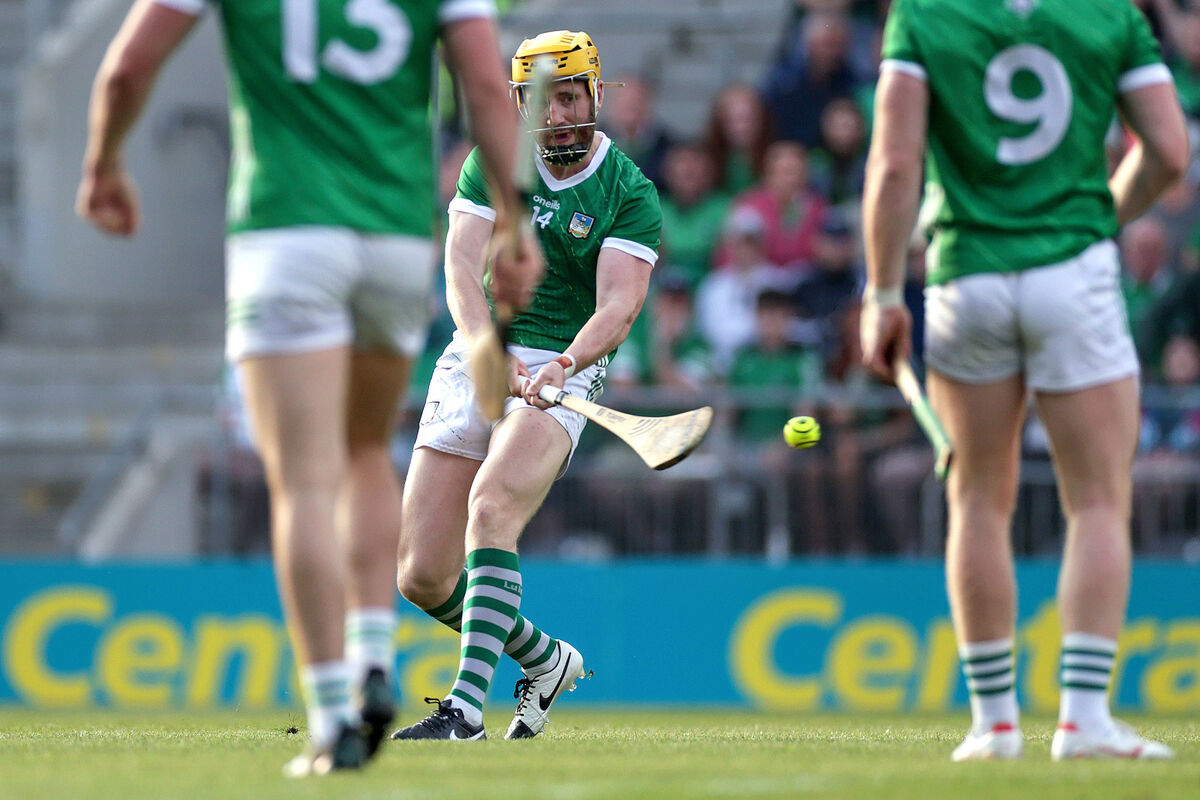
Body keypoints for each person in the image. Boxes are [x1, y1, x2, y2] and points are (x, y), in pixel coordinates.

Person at [75, 0, 543, 777]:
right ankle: (373, 659)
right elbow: (489, 92)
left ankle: (332, 713)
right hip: (394, 238)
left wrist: (103, 164)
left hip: (285, 233)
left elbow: (127, 66)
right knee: (365, 452)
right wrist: (516, 227)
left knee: (301, 480)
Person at [861, 0, 1186, 761]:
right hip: (1072, 271)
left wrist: (879, 294)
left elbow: (896, 162)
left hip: (965, 274)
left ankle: (994, 724)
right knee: (1099, 497)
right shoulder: (1110, 12)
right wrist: (1099, 215)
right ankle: (1082, 719)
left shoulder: (923, 12)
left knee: (977, 496)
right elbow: (1169, 150)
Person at [390, 29, 661, 742]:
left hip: (567, 369)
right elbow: (458, 267)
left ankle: (464, 712)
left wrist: (564, 364)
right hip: (480, 351)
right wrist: (486, 346)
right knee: (421, 575)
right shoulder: (494, 160)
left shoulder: (629, 193)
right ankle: (545, 659)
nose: (556, 113)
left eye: (569, 96)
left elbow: (619, 306)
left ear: (595, 96)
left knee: (492, 505)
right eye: (539, 98)